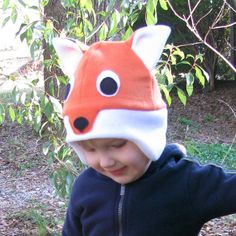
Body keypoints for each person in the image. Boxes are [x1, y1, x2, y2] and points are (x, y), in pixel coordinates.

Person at [53, 25, 236, 236]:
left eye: (117, 145)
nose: (105, 162)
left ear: (147, 134)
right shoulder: (85, 188)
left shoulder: (185, 182)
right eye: (90, 149)